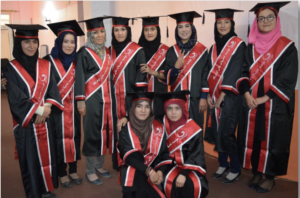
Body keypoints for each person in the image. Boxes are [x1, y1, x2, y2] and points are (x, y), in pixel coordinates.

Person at [236, 2, 298, 193]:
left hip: (275, 104)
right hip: (251, 102)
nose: (265, 21)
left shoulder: (287, 48)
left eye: (270, 17)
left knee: (274, 139)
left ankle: (269, 176)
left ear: (277, 19)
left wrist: (264, 98)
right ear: (256, 22)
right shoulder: (250, 48)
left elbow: (287, 78)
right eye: (261, 18)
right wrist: (246, 93)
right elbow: (243, 72)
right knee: (253, 138)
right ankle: (256, 172)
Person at [4, 24, 64, 198]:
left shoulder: (46, 64)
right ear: (18, 44)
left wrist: (46, 109)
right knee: (30, 159)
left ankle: (46, 188)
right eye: (26, 42)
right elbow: (15, 96)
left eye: (34, 42)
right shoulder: (11, 68)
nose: (31, 46)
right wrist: (37, 110)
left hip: (46, 120)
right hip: (27, 122)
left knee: (48, 156)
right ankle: (34, 193)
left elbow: (53, 90)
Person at [203, 9, 246, 183]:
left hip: (230, 97)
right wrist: (206, 94)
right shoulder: (212, 48)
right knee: (216, 130)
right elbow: (206, 71)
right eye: (219, 22)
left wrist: (223, 95)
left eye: (226, 22)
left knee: (227, 131)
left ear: (232, 24)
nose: (222, 25)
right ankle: (222, 163)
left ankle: (235, 168)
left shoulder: (239, 44)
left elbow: (236, 70)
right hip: (213, 97)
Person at [43, 20, 85, 188]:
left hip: (73, 108)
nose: (69, 45)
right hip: (55, 110)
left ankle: (73, 168)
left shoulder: (78, 61)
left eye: (72, 42)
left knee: (74, 137)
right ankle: (61, 171)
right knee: (59, 139)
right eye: (66, 41)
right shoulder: (47, 61)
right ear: (59, 42)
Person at [75, 16, 114, 185]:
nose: (99, 35)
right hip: (91, 99)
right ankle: (90, 170)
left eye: (101, 32)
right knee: (91, 133)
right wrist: (80, 101)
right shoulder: (84, 52)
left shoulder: (107, 51)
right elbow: (80, 76)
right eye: (95, 32)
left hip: (107, 99)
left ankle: (99, 165)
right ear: (90, 35)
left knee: (104, 131)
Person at [109, 16, 148, 169]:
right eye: (116, 30)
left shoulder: (137, 50)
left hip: (130, 99)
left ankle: (131, 162)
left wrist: (136, 103)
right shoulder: (109, 50)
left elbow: (141, 78)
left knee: (131, 130)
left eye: (122, 30)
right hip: (113, 100)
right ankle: (116, 161)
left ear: (128, 30)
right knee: (115, 129)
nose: (119, 33)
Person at [117, 92, 171, 198]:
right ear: (133, 108)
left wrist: (160, 171)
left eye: (147, 106)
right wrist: (148, 172)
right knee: (134, 173)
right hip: (133, 167)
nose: (143, 110)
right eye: (139, 106)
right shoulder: (125, 128)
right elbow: (129, 156)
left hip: (154, 168)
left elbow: (165, 153)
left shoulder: (158, 126)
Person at [156, 90, 209, 198]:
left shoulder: (193, 128)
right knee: (162, 179)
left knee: (188, 184)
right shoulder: (160, 123)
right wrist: (126, 118)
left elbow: (195, 154)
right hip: (167, 164)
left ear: (183, 109)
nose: (173, 113)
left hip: (190, 166)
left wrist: (183, 174)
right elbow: (143, 118)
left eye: (177, 108)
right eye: (169, 108)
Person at [162, 11, 209, 129]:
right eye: (180, 27)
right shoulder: (171, 51)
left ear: (192, 28)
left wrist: (203, 97)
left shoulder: (202, 50)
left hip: (196, 99)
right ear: (176, 30)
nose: (184, 30)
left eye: (187, 26)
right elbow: (168, 79)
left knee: (196, 128)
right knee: (178, 130)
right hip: (177, 101)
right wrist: (176, 68)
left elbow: (205, 75)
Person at [138, 16, 169, 116]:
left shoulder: (166, 51)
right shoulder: (137, 50)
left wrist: (153, 72)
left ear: (158, 30)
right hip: (140, 98)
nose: (149, 33)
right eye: (146, 30)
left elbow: (169, 77)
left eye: (152, 29)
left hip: (159, 98)